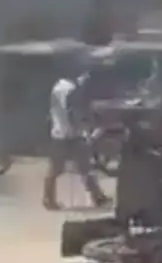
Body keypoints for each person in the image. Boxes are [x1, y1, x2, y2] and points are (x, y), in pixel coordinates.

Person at [43, 65, 111, 210]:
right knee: (83, 167)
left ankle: (49, 199)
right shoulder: (72, 89)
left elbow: (56, 109)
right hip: (71, 133)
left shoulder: (58, 85)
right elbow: (72, 111)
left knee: (57, 169)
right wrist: (83, 128)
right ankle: (98, 198)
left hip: (59, 132)